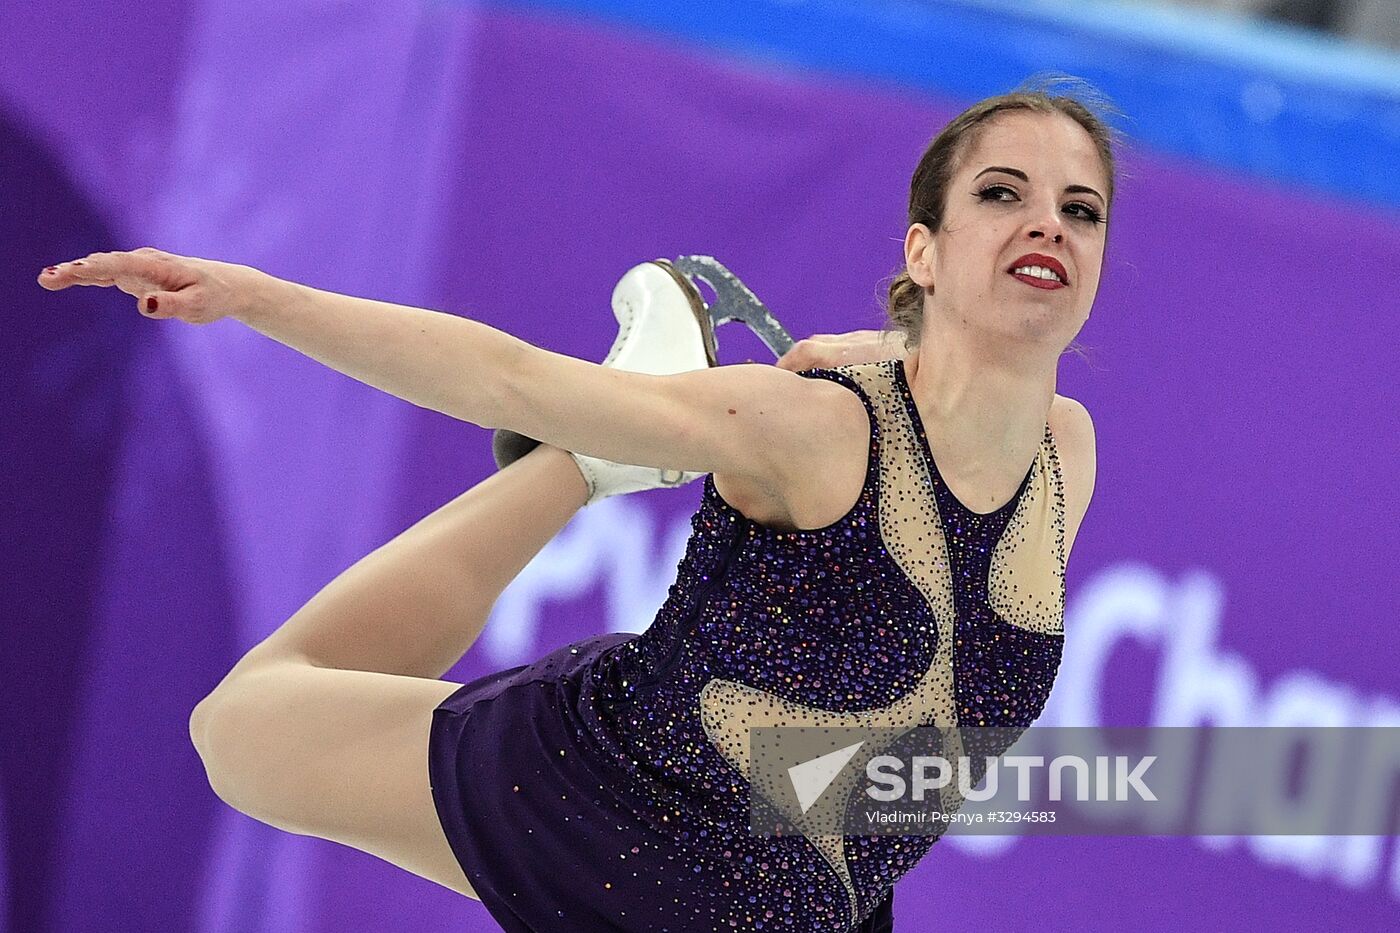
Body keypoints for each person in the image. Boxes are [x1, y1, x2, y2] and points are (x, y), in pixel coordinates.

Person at [37, 77, 1111, 932]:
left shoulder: (1066, 453)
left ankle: (589, 460)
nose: (1045, 226)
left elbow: (949, 405)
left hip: (801, 905)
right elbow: (502, 377)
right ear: (920, 250)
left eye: (1079, 209)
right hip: (617, 818)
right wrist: (256, 298)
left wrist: (884, 347)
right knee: (235, 730)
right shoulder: (809, 428)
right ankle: (579, 468)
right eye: (1000, 193)